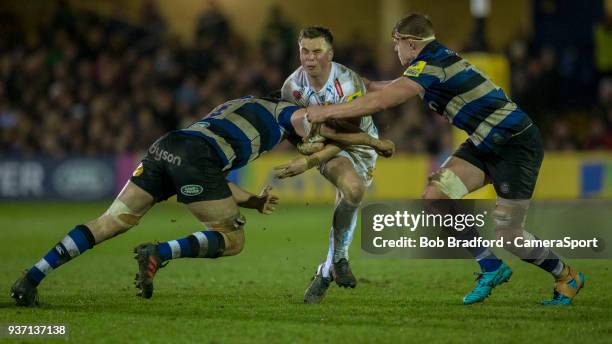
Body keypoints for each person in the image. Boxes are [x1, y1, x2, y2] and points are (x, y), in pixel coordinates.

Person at [305, 14, 584, 306]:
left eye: (397, 44)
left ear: (411, 44)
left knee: (510, 235)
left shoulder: (430, 66)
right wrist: (340, 76)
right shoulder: (430, 63)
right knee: (435, 196)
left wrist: (326, 113)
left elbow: (382, 101)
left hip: (516, 145)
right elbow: (377, 88)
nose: (395, 51)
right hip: (484, 143)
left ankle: (566, 275)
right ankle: (491, 267)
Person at [10, 95, 392, 307]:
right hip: (197, 158)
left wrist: (254, 203)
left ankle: (32, 277)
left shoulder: (240, 108)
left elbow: (213, 183)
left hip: (168, 147)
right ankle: (160, 252)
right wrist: (373, 141)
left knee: (112, 220)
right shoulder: (285, 113)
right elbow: (321, 123)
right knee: (233, 239)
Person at [280, 26, 380, 304]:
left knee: (351, 195)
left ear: (330, 53)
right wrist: (306, 148)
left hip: (360, 145)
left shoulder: (348, 83)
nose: (310, 58)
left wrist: (309, 160)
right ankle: (339, 260)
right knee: (353, 189)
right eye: (304, 51)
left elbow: (351, 136)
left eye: (317, 51)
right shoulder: (291, 88)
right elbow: (292, 130)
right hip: (327, 149)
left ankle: (325, 272)